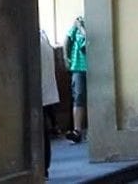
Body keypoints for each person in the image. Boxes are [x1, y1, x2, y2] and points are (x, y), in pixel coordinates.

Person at [39, 28, 60, 175]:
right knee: (42, 130)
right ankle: (44, 168)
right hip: (45, 93)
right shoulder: (43, 39)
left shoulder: (36, 40)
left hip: (38, 93)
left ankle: (42, 168)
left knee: (39, 131)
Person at [64, 16, 87, 143]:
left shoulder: (83, 26)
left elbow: (87, 40)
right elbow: (66, 40)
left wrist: (81, 27)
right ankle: (77, 131)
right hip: (78, 67)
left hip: (93, 67)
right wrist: (66, 57)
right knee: (78, 97)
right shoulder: (77, 25)